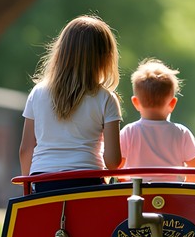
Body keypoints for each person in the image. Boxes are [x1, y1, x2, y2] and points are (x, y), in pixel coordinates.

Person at [18, 15, 122, 192]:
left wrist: (28, 189)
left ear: (61, 51)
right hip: (87, 180)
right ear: (106, 57)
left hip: (44, 180)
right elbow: (112, 161)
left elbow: (26, 150)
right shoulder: (106, 99)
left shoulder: (38, 93)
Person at [120, 59, 195, 181]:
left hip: (138, 193)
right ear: (172, 103)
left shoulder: (129, 131)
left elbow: (116, 167)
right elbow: (193, 173)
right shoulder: (181, 132)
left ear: (135, 102)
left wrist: (124, 178)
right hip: (170, 193)